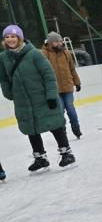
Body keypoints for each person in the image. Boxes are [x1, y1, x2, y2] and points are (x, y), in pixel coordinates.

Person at [0, 25, 75, 172]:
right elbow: (3, 78)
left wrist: (52, 96)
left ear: (20, 38)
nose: (10, 39)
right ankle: (40, 158)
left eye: (13, 36)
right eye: (7, 37)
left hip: (41, 97)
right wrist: (8, 92)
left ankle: (66, 153)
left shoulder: (35, 54)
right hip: (22, 100)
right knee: (31, 127)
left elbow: (49, 76)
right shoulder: (3, 58)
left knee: (54, 123)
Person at [41, 32, 83, 138]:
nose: (60, 43)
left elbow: (72, 69)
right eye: (56, 41)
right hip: (54, 89)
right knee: (60, 111)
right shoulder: (44, 54)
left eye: (60, 41)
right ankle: (62, 132)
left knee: (71, 109)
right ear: (50, 43)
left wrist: (77, 82)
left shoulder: (66, 53)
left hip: (68, 87)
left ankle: (76, 129)